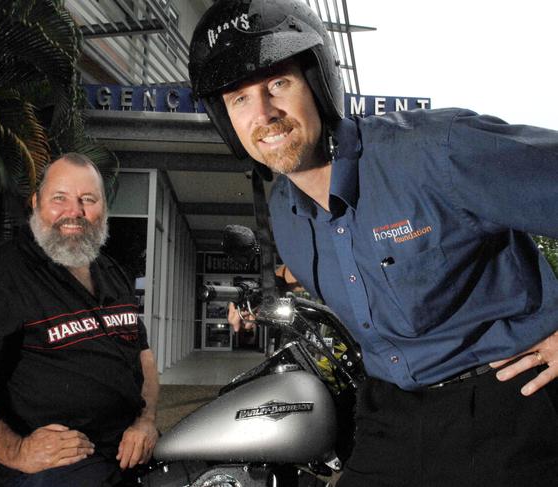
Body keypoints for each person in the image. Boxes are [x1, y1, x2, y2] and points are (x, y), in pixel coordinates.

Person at [188, 1, 558, 485]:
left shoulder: (436, 151)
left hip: (508, 403)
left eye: (278, 84)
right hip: (391, 414)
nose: (264, 114)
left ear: (319, 84)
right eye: (238, 99)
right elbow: (348, 267)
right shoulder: (285, 211)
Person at [0, 153, 159, 486]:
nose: (75, 212)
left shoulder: (111, 273)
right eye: (60, 198)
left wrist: (147, 420)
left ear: (103, 209)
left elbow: (143, 356)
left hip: (130, 452)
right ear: (36, 202)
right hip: (62, 468)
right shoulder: (0, 278)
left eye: (88, 199)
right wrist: (16, 450)